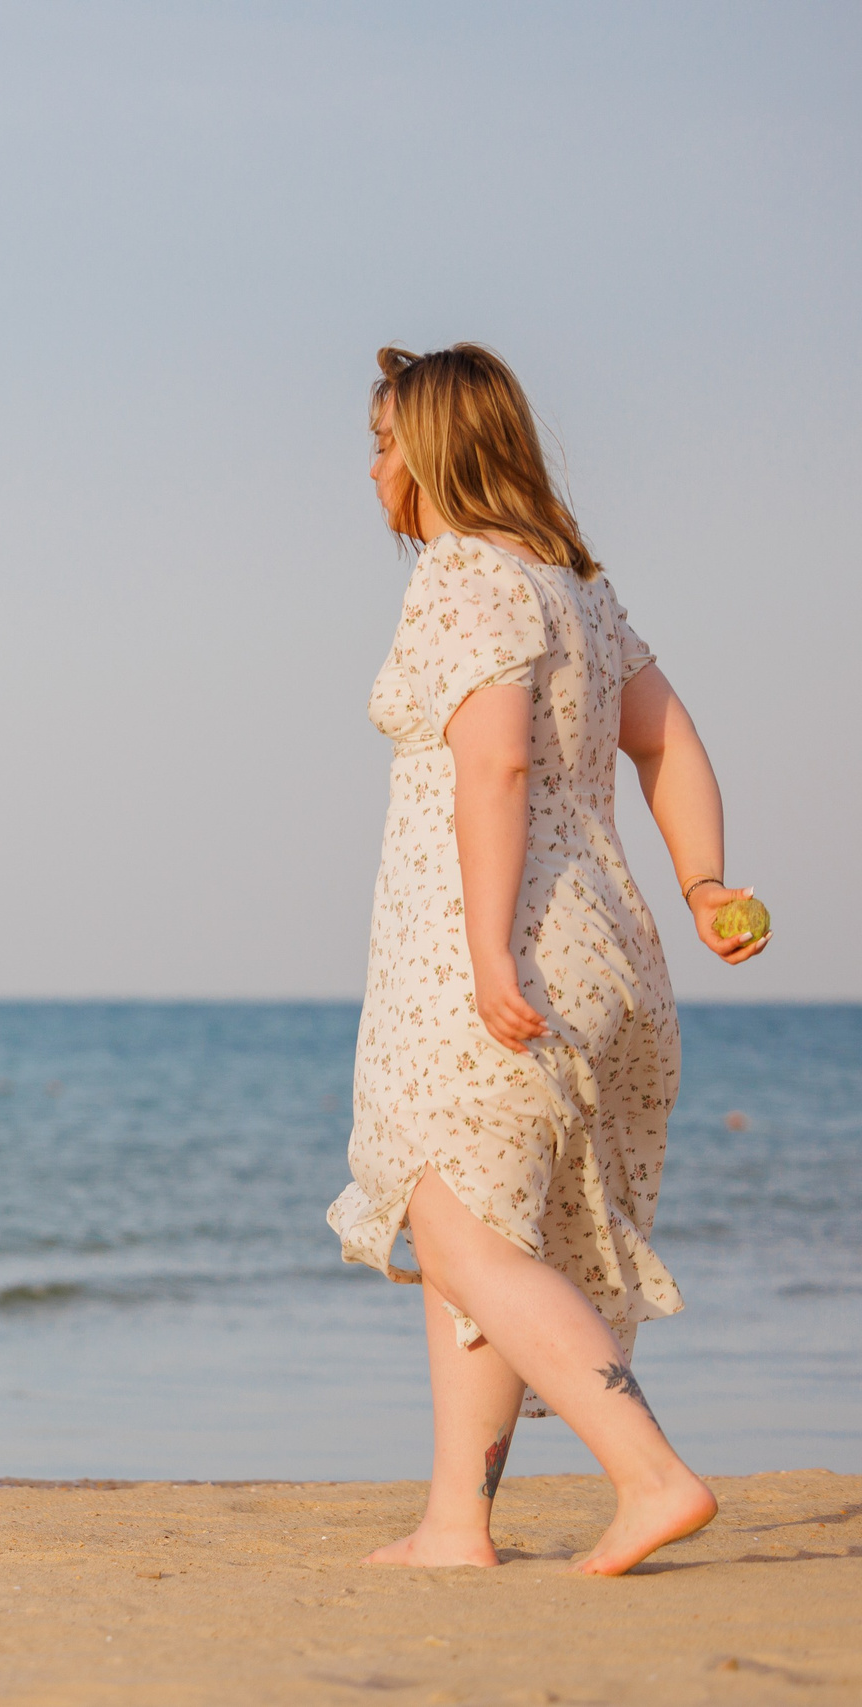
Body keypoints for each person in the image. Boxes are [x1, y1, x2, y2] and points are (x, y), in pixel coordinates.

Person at [327, 344, 768, 1576]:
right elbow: (667, 738)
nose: (371, 474)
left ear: (431, 454)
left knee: (465, 1235)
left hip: (493, 952)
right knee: (483, 1231)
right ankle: (455, 1527)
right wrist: (704, 884)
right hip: (612, 951)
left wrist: (483, 952)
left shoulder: (465, 576)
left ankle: (649, 1474)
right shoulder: (573, 585)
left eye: (381, 447)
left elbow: (496, 766)